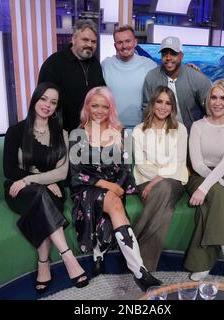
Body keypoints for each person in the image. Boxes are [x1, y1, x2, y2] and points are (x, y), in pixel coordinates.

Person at [69, 86, 162, 291]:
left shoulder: (122, 133)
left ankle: (99, 253)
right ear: (87, 107)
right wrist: (108, 185)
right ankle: (139, 271)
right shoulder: (77, 134)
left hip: (115, 188)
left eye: (105, 106)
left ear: (110, 108)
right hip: (87, 188)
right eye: (95, 105)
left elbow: (126, 169)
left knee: (113, 200)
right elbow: (76, 176)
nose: (99, 111)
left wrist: (117, 186)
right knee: (114, 202)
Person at [3, 82, 89, 294]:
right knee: (41, 196)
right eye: (43, 99)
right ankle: (68, 256)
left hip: (52, 191)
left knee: (42, 200)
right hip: (18, 189)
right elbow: (9, 170)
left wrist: (36, 179)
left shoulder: (63, 134)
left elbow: (62, 173)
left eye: (53, 102)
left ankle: (43, 264)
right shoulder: (15, 131)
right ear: (35, 99)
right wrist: (39, 180)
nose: (47, 105)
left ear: (56, 107)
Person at [185, 79, 224, 281]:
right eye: (214, 97)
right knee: (219, 193)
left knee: (209, 206)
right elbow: (197, 165)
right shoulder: (197, 126)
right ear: (208, 100)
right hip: (200, 176)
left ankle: (203, 264)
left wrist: (222, 185)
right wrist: (219, 186)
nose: (217, 102)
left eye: (223, 97)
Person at [132, 86, 188, 271]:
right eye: (159, 101)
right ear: (152, 103)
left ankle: (132, 238)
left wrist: (157, 179)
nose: (163, 107)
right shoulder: (139, 130)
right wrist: (157, 176)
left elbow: (178, 162)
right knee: (165, 207)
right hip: (145, 180)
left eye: (168, 103)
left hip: (175, 180)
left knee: (163, 188)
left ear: (173, 107)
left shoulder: (180, 129)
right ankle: (145, 268)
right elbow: (141, 164)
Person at [37, 19, 105, 132]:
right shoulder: (54, 63)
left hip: (91, 131)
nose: (90, 44)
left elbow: (101, 93)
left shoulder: (95, 64)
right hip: (61, 133)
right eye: (85, 40)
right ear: (73, 39)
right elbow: (42, 101)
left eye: (93, 42)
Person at [143, 36, 212, 132]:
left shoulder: (197, 78)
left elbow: (210, 110)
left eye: (173, 54)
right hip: (160, 137)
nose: (168, 58)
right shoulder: (151, 77)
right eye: (164, 54)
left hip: (191, 137)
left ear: (181, 56)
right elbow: (146, 108)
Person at [101, 25, 157, 128]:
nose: (124, 46)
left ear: (135, 42)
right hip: (111, 127)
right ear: (115, 45)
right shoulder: (105, 65)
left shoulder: (149, 65)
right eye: (119, 42)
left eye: (128, 41)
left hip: (141, 128)